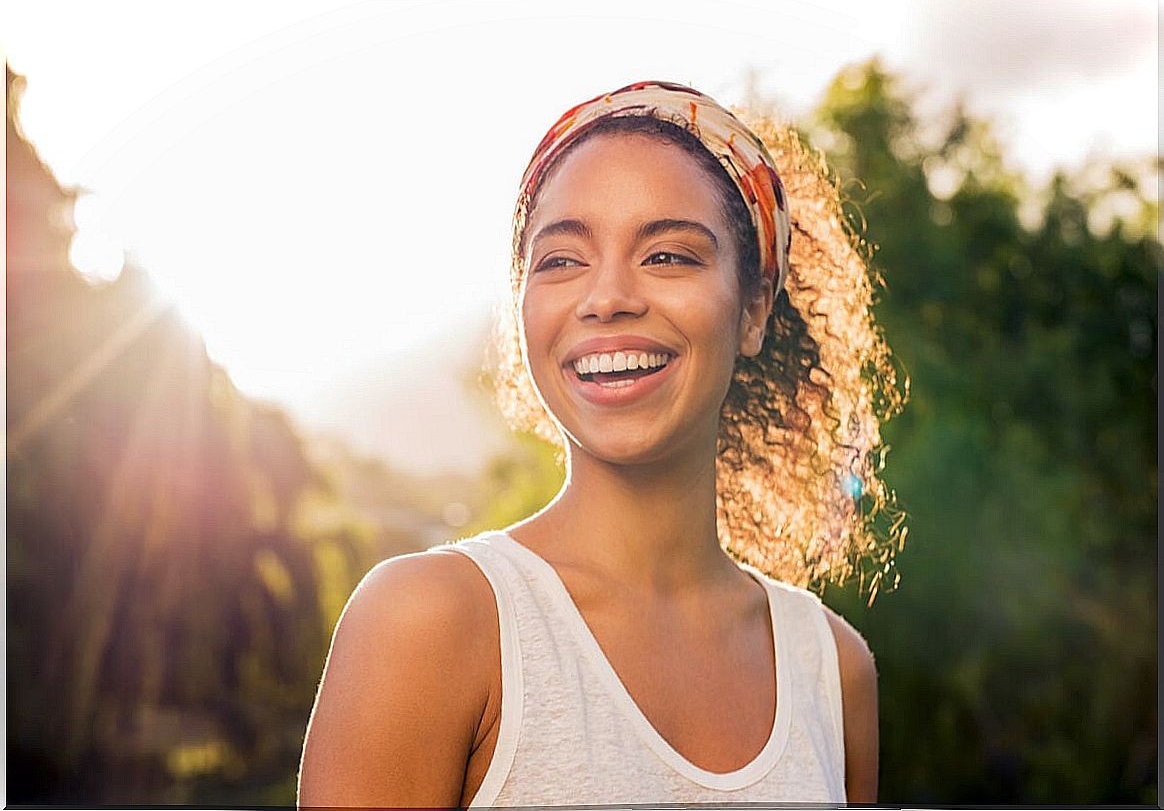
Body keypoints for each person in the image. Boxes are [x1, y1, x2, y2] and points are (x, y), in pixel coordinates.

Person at [298, 80, 905, 808]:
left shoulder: (833, 670)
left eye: (669, 256)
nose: (607, 296)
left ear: (753, 309)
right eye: (561, 260)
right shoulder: (428, 623)